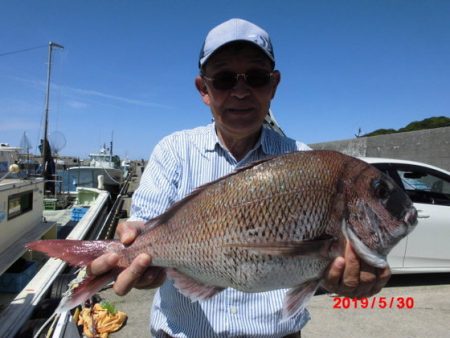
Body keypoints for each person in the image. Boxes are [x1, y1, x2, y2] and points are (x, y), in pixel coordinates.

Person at [89, 18, 390, 337]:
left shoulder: (304, 161)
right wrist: (137, 253)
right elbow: (144, 225)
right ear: (203, 89)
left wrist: (345, 278)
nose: (241, 91)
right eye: (224, 79)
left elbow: (319, 263)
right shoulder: (173, 151)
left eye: (257, 78)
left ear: (274, 85)